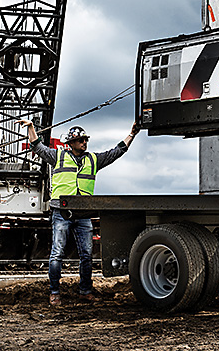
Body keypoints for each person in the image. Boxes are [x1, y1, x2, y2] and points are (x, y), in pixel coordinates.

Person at [18, 119, 139, 306]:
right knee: (57, 254)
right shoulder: (57, 156)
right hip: (61, 211)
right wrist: (31, 127)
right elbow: (37, 147)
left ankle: (85, 291)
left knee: (87, 255)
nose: (84, 143)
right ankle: (55, 292)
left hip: (83, 214)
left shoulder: (93, 159)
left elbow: (116, 152)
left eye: (85, 140)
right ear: (71, 143)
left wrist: (132, 134)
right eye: (81, 140)